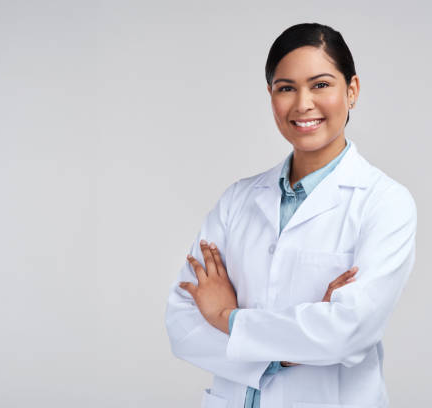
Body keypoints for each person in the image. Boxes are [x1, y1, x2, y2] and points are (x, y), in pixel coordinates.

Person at [165, 23, 417, 408]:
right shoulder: (238, 200)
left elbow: (349, 332)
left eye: (320, 85)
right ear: (271, 96)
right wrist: (296, 347)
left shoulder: (384, 203)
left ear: (352, 90)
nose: (302, 104)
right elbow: (182, 324)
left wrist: (227, 318)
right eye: (286, 88)